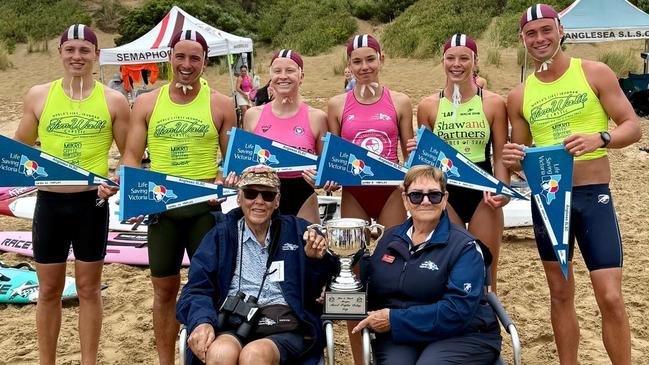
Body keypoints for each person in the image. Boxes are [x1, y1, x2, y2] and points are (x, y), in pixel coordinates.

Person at [503, 4, 641, 364]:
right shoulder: (519, 95)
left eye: (546, 30)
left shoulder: (594, 72)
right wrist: (514, 160)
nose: (540, 39)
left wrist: (601, 138)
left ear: (560, 30)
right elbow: (522, 158)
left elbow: (632, 126)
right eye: (531, 34)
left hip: (593, 195)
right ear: (522, 39)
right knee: (560, 293)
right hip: (548, 200)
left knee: (610, 295)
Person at [112, 29, 236, 365]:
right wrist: (130, 192)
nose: (186, 64)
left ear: (205, 62)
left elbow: (232, 163)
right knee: (164, 292)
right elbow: (132, 157)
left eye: (194, 58)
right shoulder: (148, 102)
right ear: (169, 57)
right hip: (162, 211)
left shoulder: (221, 104)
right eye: (180, 56)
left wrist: (224, 180)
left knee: (211, 290)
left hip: (203, 210)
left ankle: (210, 357)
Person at [13, 24, 130, 364]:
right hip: (49, 203)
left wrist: (116, 181)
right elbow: (18, 148)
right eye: (70, 49)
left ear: (96, 55)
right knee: (48, 291)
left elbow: (129, 156)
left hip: (91, 204)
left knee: (89, 290)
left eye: (84, 50)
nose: (77, 56)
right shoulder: (38, 95)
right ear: (60, 53)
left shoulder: (114, 99)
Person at [176, 166, 336, 365]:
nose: (259, 201)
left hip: (284, 325)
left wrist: (315, 260)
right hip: (232, 321)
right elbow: (196, 289)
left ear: (277, 201)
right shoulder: (220, 235)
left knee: (254, 356)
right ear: (239, 198)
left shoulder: (299, 231)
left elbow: (321, 286)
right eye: (251, 193)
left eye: (268, 195)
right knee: (219, 354)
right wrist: (201, 321)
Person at [352, 165, 501, 364]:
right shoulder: (389, 239)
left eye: (434, 195)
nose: (425, 201)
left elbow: (457, 311)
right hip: (403, 333)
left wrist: (394, 319)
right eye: (416, 195)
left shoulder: (465, 247)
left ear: (445, 199)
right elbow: (372, 284)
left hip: (464, 333)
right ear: (405, 199)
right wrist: (337, 291)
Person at [327, 33, 414, 365]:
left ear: (382, 60)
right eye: (357, 61)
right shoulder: (337, 104)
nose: (364, 67)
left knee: (398, 268)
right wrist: (330, 178)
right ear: (349, 66)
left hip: (390, 192)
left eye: (370, 59)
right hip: (355, 195)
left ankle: (395, 346)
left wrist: (413, 176)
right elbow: (332, 157)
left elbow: (411, 154)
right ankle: (360, 358)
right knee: (352, 272)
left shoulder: (401, 101)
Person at [415, 33, 509, 290]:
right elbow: (425, 162)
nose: (457, 64)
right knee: (448, 265)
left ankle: (486, 325)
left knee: (486, 268)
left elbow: (500, 153)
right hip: (444, 190)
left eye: (464, 58)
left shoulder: (493, 103)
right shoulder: (428, 106)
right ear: (442, 61)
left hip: (483, 189)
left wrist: (502, 187)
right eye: (450, 58)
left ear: (475, 61)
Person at [243, 49, 328, 223]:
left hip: (303, 198)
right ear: (270, 76)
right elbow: (244, 163)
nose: (283, 76)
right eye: (277, 71)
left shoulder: (317, 117)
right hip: (263, 198)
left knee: (306, 250)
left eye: (290, 71)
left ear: (301, 76)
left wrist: (322, 179)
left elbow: (325, 168)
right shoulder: (253, 115)